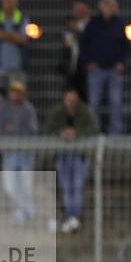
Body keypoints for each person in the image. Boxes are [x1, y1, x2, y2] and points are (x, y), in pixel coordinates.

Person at [45, 89, 100, 233]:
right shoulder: (57, 113)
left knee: (77, 186)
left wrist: (76, 134)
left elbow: (94, 129)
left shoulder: (85, 112)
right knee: (66, 186)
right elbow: (48, 129)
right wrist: (61, 133)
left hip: (79, 155)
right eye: (68, 100)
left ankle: (74, 217)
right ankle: (71, 217)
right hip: (62, 155)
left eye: (73, 100)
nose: (70, 103)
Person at [80, 0, 128, 135]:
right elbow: (83, 44)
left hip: (114, 69)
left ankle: (115, 134)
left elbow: (125, 46)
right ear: (100, 7)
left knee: (116, 102)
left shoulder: (119, 23)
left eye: (111, 5)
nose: (108, 8)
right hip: (96, 69)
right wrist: (88, 61)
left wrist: (121, 62)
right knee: (94, 102)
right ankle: (93, 132)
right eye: (106, 5)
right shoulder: (93, 24)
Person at [0, 80, 39, 225]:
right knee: (10, 185)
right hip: (9, 151)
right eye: (12, 91)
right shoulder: (3, 107)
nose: (14, 94)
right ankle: (28, 209)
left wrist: (12, 129)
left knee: (25, 184)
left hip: (25, 152)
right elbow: (0, 129)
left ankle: (22, 212)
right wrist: (15, 130)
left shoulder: (28, 109)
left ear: (22, 94)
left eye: (17, 92)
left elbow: (32, 131)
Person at [0, 0, 29, 81]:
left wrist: (2, 35)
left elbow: (23, 39)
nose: (9, 4)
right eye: (7, 1)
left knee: (17, 94)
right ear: (2, 2)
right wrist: (13, 36)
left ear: (17, 3)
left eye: (12, 1)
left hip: (17, 68)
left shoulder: (23, 18)